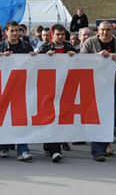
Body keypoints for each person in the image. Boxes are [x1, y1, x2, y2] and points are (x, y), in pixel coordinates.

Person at [80, 20, 116, 161]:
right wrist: (97, 56)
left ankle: (104, 144)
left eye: (108, 30)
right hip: (94, 85)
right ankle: (97, 150)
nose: (105, 32)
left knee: (109, 117)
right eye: (102, 30)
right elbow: (81, 60)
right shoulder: (90, 43)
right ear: (98, 30)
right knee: (96, 116)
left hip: (113, 84)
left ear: (112, 31)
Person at [0, 20, 35, 162]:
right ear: (6, 32)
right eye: (12, 31)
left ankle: (23, 150)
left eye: (17, 30)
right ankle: (4, 146)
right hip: (3, 88)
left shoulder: (26, 46)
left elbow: (35, 64)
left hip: (21, 88)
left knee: (20, 119)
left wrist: (35, 58)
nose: (15, 33)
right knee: (5, 118)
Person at [36, 23, 76, 163]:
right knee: (51, 117)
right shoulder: (45, 48)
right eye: (58, 34)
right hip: (49, 89)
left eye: (63, 34)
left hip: (66, 88)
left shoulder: (70, 48)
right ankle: (55, 150)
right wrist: (44, 57)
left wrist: (74, 57)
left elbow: (80, 65)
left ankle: (50, 145)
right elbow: (34, 64)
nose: (60, 37)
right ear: (52, 35)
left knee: (62, 117)